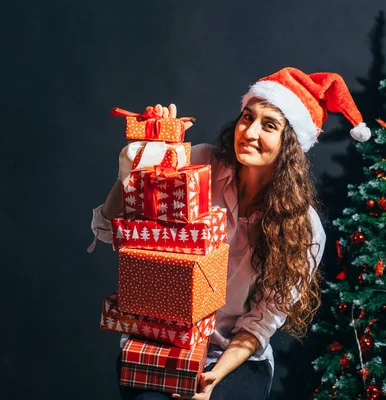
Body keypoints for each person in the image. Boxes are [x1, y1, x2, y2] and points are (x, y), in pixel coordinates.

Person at [89, 67, 371, 400]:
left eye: (268, 125)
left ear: (291, 144)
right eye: (246, 117)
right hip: (161, 341)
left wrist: (211, 377)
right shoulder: (198, 164)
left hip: (232, 356)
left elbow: (261, 322)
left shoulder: (304, 228)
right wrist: (142, 161)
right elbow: (108, 230)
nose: (249, 131)